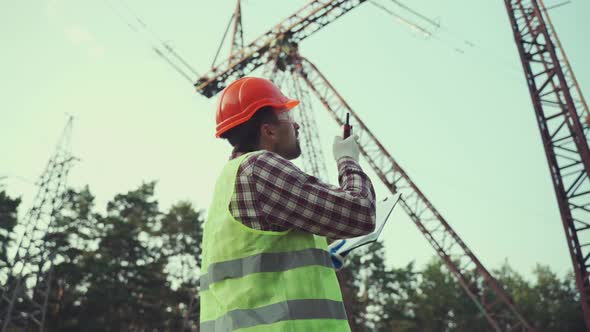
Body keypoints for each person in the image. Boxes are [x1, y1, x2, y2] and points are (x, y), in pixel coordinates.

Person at [199, 76, 376, 331]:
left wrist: (325, 253)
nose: (297, 125)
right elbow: (361, 213)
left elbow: (258, 264)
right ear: (269, 130)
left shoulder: (229, 181)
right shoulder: (258, 167)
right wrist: (348, 159)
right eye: (288, 116)